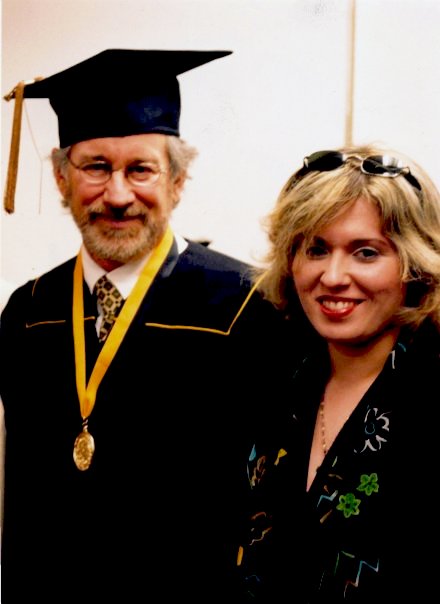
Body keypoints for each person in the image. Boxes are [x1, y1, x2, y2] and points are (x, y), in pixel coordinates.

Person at [0, 49, 294, 603]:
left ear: (178, 182)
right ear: (63, 180)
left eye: (141, 169)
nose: (117, 194)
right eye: (95, 167)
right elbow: (22, 499)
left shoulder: (246, 306)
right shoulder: (27, 313)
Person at [237, 144, 440, 602]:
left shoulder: (430, 393)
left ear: (415, 265)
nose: (332, 275)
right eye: (316, 249)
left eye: (365, 253)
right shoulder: (271, 384)